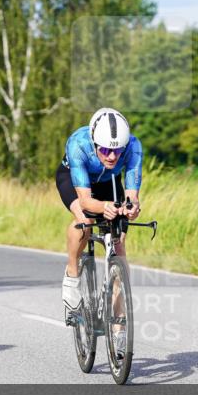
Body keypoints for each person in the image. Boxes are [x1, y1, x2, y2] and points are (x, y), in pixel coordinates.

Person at [55, 108, 142, 357]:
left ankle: (119, 318)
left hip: (108, 183)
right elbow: (84, 201)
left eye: (118, 150)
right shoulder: (79, 144)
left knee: (119, 238)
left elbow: (132, 194)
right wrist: (103, 207)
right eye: (105, 150)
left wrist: (132, 208)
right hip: (76, 182)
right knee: (84, 222)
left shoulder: (133, 147)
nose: (112, 156)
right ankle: (72, 274)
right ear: (95, 142)